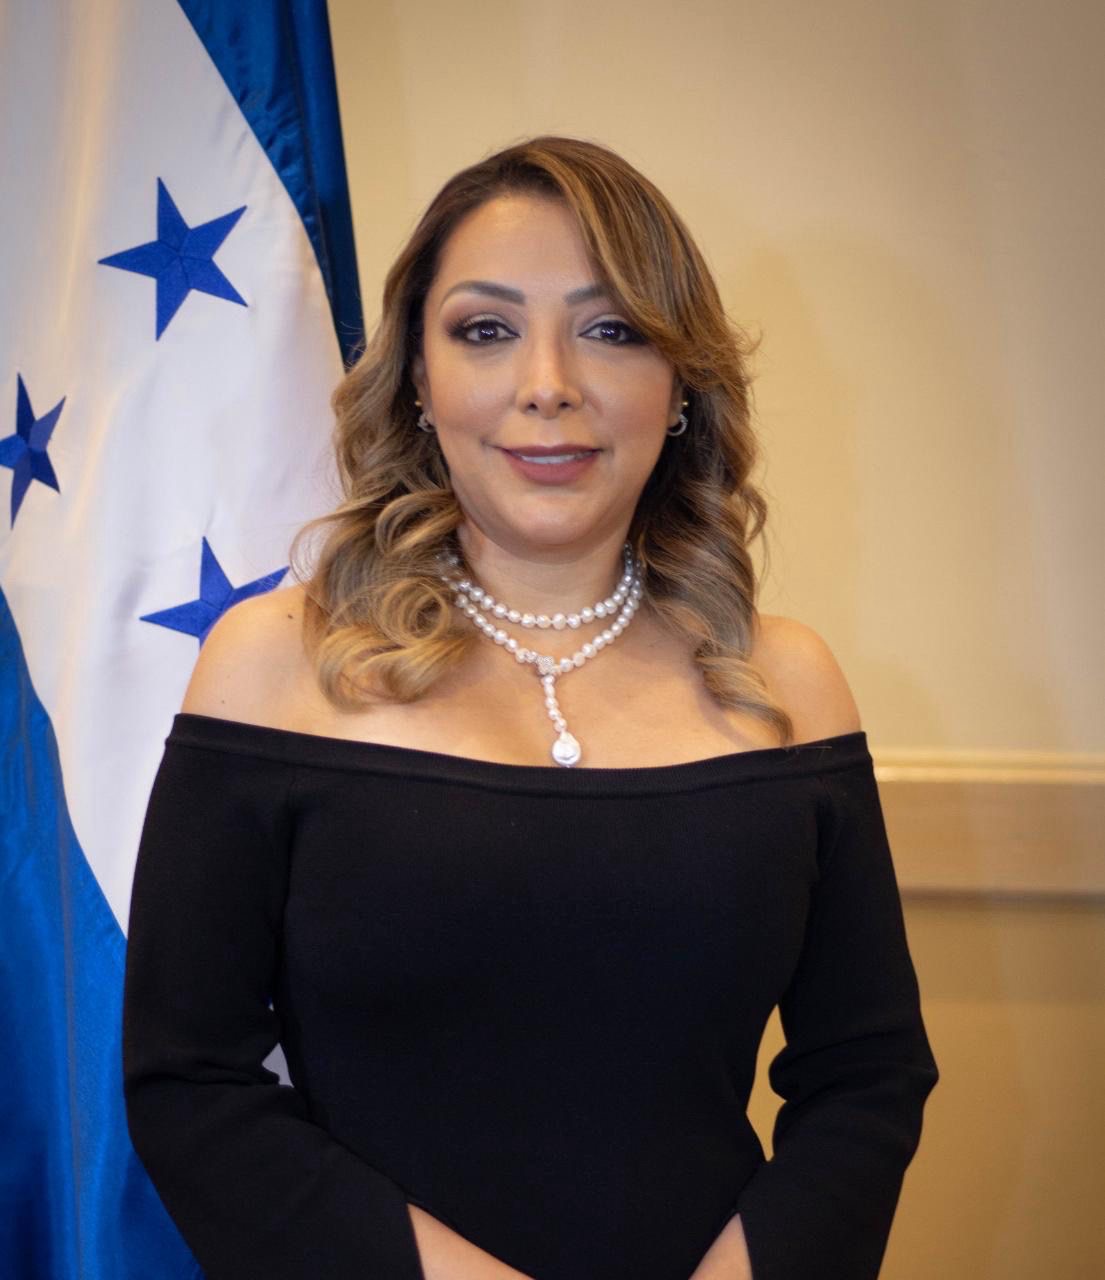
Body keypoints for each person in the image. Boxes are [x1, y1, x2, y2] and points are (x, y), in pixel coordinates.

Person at [123, 135, 939, 1280]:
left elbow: (866, 1073)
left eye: (610, 329)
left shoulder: (787, 681)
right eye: (485, 329)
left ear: (680, 381)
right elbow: (190, 1079)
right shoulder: (271, 665)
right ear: (417, 378)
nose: (547, 382)